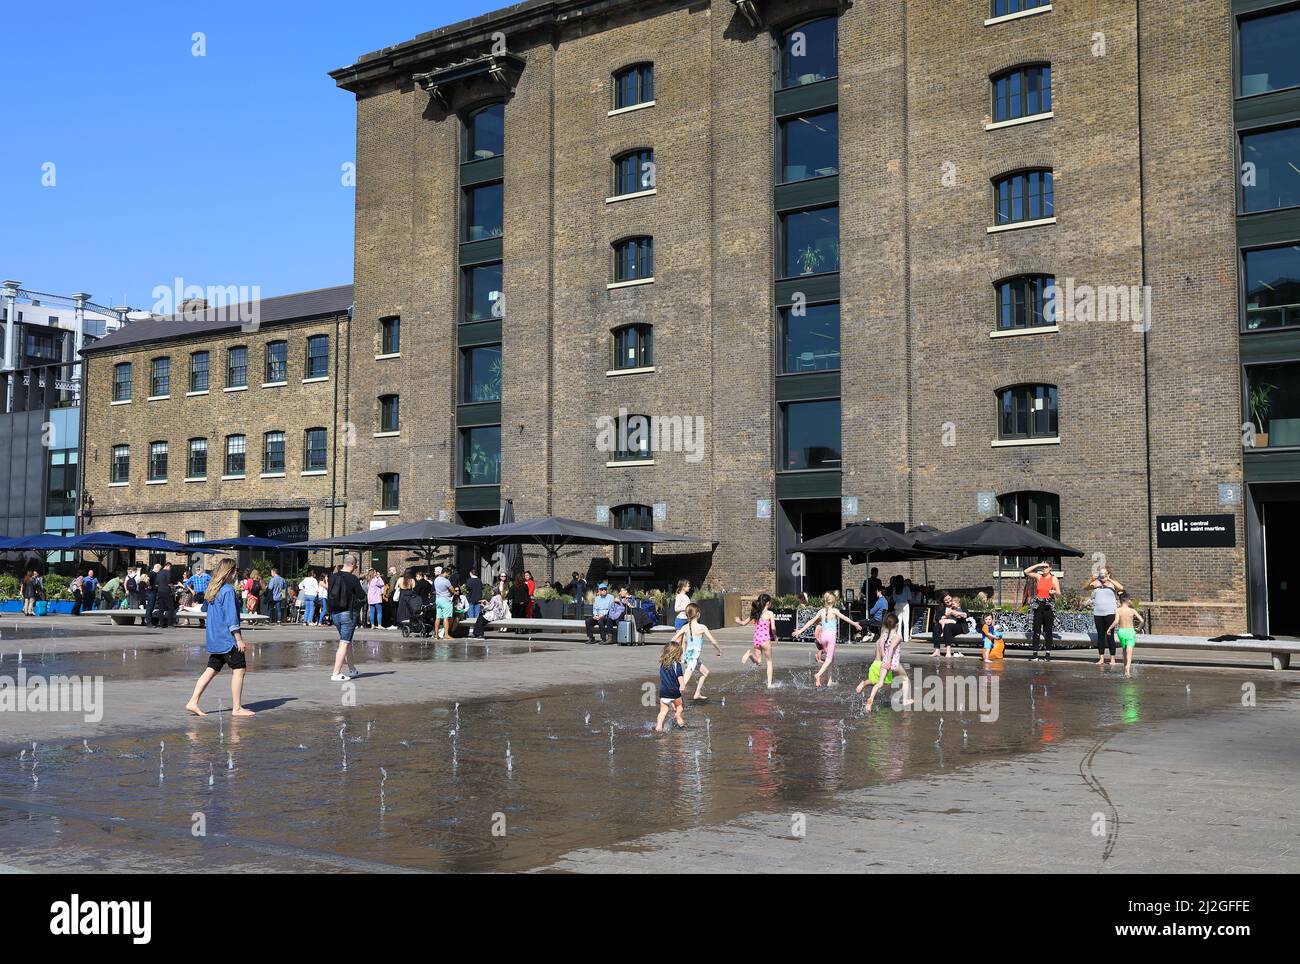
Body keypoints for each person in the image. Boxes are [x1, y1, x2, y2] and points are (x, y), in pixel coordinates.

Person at [185, 558, 255, 718]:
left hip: (214, 638)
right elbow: (231, 619)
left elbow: (204, 609)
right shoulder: (228, 590)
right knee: (239, 670)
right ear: (229, 572)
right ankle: (237, 708)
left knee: (211, 670)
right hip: (228, 639)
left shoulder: (213, 589)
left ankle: (193, 701)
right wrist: (238, 639)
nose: (237, 573)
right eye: (235, 570)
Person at [797, 592, 862, 688]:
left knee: (831, 658)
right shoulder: (835, 610)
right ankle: (818, 675)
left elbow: (811, 621)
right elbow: (845, 618)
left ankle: (829, 680)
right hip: (831, 637)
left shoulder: (821, 611)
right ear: (834, 601)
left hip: (823, 637)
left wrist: (800, 631)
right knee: (829, 659)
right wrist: (855, 624)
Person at [858, 613, 912, 713]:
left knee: (879, 683)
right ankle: (905, 700)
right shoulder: (898, 637)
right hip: (893, 663)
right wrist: (888, 662)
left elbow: (882, 647)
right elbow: (891, 648)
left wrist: (884, 658)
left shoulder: (884, 636)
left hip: (883, 663)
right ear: (897, 625)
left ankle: (871, 699)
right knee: (905, 679)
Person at [674, 603, 723, 701]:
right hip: (693, 657)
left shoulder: (685, 627)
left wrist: (673, 650)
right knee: (685, 678)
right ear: (698, 614)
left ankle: (697, 693)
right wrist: (719, 649)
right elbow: (713, 641)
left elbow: (675, 638)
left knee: (705, 672)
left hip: (689, 656)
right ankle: (674, 697)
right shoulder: (702, 627)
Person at [328, 554, 365, 681]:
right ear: (354, 565)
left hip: (335, 614)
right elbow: (362, 596)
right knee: (344, 643)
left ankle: (352, 669)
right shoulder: (353, 579)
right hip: (348, 614)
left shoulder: (332, 577)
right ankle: (336, 673)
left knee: (347, 641)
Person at [736, 593, 778, 689]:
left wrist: (738, 621)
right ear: (767, 603)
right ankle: (769, 684)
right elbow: (773, 628)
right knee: (769, 661)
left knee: (758, 662)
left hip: (757, 639)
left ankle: (750, 655)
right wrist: (775, 636)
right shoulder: (770, 613)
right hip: (765, 639)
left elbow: (743, 623)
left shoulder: (755, 612)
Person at [1084, 568, 1124, 667]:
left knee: (1110, 636)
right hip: (1098, 613)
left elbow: (1121, 587)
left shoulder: (1112, 584)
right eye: (1101, 573)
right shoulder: (1096, 583)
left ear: (1108, 574)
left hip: (1110, 613)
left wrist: (1109, 579)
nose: (1102, 576)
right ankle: (1101, 658)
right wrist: (1091, 579)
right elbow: (1085, 588)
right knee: (1100, 636)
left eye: (1104, 574)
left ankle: (1112, 659)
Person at [1024, 561, 1060, 661]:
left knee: (1048, 631)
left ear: (1050, 568)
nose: (1044, 569)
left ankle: (1047, 655)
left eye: (1046, 567)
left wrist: (1054, 592)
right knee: (1036, 630)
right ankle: (1035, 654)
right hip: (1038, 606)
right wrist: (1038, 565)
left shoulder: (1054, 578)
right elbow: (1026, 571)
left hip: (1048, 606)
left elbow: (1059, 593)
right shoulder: (1039, 577)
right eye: (1043, 567)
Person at [653, 639, 687, 733]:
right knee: (679, 706)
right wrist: (682, 686)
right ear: (677, 653)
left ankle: (659, 727)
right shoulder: (677, 665)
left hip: (663, 692)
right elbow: (680, 679)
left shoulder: (663, 664)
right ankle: (678, 717)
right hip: (674, 692)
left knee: (663, 711)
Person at [1108, 593, 1145, 677]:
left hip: (1121, 632)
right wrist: (1138, 628)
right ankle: (1127, 671)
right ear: (1128, 600)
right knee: (1130, 652)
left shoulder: (1117, 610)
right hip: (1130, 631)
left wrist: (1109, 628)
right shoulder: (1132, 610)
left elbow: (1116, 621)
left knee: (1124, 650)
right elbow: (1142, 620)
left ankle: (1125, 668)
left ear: (1120, 601)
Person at [931, 593, 967, 659]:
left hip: (959, 625)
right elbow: (937, 617)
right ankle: (937, 650)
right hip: (946, 624)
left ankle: (948, 651)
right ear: (943, 601)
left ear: (951, 597)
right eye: (945, 600)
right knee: (936, 627)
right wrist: (944, 616)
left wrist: (955, 613)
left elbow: (966, 614)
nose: (948, 601)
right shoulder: (941, 607)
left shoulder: (958, 603)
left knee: (947, 626)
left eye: (949, 598)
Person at [431, 566, 454, 639]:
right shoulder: (446, 581)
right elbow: (452, 590)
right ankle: (446, 635)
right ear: (445, 572)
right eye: (448, 574)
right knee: (446, 618)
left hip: (438, 599)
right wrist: (455, 592)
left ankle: (436, 635)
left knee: (437, 618)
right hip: (446, 600)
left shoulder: (436, 579)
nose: (448, 576)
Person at [154, 563, 175, 628]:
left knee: (161, 608)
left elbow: (156, 583)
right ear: (168, 566)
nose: (170, 569)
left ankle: (161, 623)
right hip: (166, 592)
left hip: (160, 592)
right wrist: (173, 586)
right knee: (171, 608)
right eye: (170, 568)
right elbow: (169, 582)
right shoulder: (167, 573)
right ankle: (170, 623)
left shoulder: (159, 573)